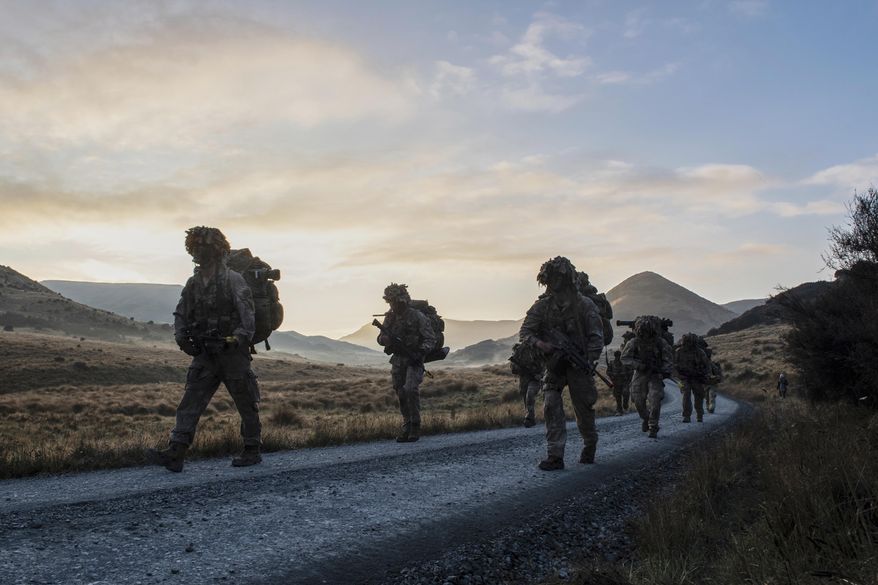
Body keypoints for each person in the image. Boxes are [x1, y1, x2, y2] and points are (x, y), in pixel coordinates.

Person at [148, 226, 262, 472]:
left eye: (203, 248)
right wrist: (181, 337)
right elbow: (181, 312)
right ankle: (176, 452)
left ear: (215, 250)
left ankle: (252, 449)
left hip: (233, 356)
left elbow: (248, 322)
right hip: (205, 355)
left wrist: (232, 341)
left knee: (245, 402)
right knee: (190, 402)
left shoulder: (234, 280)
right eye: (195, 248)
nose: (198, 253)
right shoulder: (194, 283)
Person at [519, 256, 604, 471]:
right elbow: (525, 332)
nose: (553, 285)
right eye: (550, 281)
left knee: (583, 410)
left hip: (578, 365)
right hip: (554, 365)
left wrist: (588, 359)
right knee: (550, 405)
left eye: (557, 280)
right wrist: (541, 344)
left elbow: (596, 337)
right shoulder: (542, 306)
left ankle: (589, 445)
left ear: (566, 280)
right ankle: (555, 455)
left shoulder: (585, 305)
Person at [377, 283, 436, 443]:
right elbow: (380, 338)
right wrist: (386, 339)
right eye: (390, 302)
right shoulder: (390, 317)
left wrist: (420, 353)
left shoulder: (417, 316)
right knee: (400, 391)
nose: (393, 305)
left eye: (395, 301)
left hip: (415, 358)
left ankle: (415, 426)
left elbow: (430, 339)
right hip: (398, 359)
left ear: (403, 300)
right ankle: (407, 425)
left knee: (410, 389)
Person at [621, 315, 673, 438]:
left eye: (647, 332)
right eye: (643, 332)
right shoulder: (634, 342)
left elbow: (668, 360)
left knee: (655, 400)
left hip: (655, 375)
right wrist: (638, 365)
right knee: (638, 401)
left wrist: (663, 372)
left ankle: (653, 426)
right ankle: (646, 418)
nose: (645, 335)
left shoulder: (661, 343)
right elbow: (625, 358)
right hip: (640, 373)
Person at [674, 333, 711, 423]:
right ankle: (687, 416)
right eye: (686, 342)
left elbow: (706, 365)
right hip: (684, 378)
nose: (687, 345)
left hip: (697, 378)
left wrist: (704, 375)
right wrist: (678, 376)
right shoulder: (679, 352)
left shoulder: (700, 352)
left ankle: (699, 414)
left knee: (699, 396)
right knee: (686, 395)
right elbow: (674, 365)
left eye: (689, 342)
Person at [510, 342, 544, 427]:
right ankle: (530, 418)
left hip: (535, 379)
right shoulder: (519, 353)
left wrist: (540, 374)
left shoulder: (537, 350)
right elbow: (513, 370)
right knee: (526, 399)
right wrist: (516, 366)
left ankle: (530, 418)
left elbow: (544, 364)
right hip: (524, 379)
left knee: (530, 395)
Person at [606, 350, 631, 415]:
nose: (618, 357)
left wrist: (627, 377)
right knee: (618, 397)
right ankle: (619, 410)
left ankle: (625, 407)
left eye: (619, 356)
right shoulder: (611, 363)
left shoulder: (625, 363)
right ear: (615, 356)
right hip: (616, 382)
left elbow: (631, 371)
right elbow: (608, 372)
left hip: (624, 381)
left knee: (626, 393)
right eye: (617, 356)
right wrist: (612, 375)